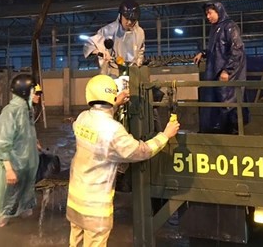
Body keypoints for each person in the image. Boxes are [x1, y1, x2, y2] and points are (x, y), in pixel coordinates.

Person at [67, 74, 180, 247]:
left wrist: (115, 104)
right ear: (112, 96)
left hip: (75, 201)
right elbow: (141, 151)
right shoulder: (114, 130)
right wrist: (165, 135)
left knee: (75, 242)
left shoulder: (82, 118)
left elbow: (98, 121)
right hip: (95, 206)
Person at [0, 73, 40, 227]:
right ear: (25, 92)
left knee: (25, 193)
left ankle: (22, 221)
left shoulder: (27, 110)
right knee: (7, 200)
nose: (38, 96)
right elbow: (1, 141)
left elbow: (23, 133)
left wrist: (33, 142)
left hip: (26, 162)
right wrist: (8, 168)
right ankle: (1, 232)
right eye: (35, 92)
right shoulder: (11, 111)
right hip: (14, 164)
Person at [193, 0, 247, 134]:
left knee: (228, 104)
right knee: (220, 104)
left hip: (225, 75)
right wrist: (204, 53)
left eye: (210, 13)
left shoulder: (229, 27)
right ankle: (221, 132)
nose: (208, 17)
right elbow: (217, 48)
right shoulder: (216, 28)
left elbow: (237, 49)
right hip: (217, 73)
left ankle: (231, 133)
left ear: (218, 11)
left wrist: (227, 70)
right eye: (206, 14)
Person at [83, 0, 145, 77]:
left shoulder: (140, 33)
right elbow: (88, 45)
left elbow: (141, 51)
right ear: (120, 15)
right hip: (112, 72)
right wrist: (101, 52)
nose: (129, 22)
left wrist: (138, 65)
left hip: (133, 73)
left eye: (132, 20)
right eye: (126, 18)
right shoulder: (108, 30)